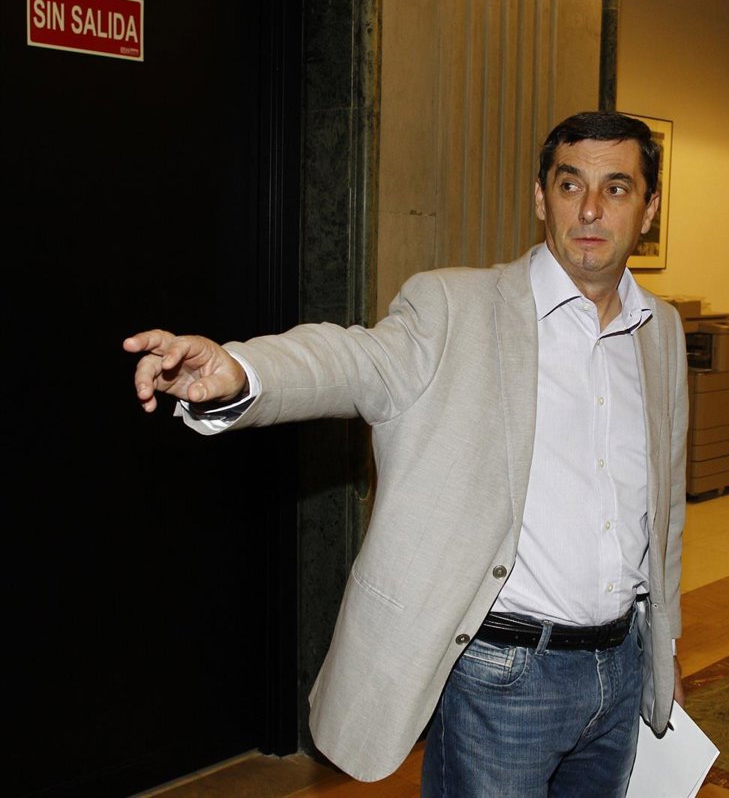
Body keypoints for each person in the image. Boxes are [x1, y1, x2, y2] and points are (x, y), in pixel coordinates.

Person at [124, 111, 688, 796]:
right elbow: (354, 360)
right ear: (542, 199)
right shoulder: (456, 306)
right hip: (503, 675)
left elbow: (663, 508)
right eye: (570, 186)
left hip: (620, 667)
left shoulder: (661, 330)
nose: (590, 209)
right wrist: (242, 370)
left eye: (617, 188)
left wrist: (663, 649)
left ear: (649, 209)